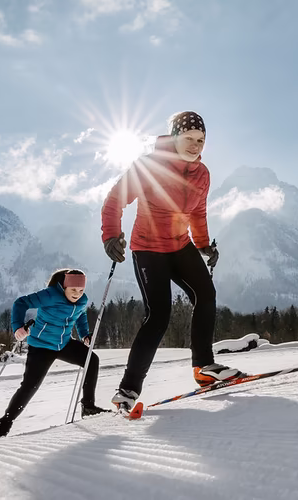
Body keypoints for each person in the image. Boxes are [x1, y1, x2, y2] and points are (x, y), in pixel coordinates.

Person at [100, 111, 245, 412]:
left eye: (201, 140)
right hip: (148, 249)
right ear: (174, 138)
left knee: (206, 295)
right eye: (189, 139)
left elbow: (197, 213)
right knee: (159, 315)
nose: (195, 146)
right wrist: (111, 236)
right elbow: (115, 200)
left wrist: (204, 245)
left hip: (181, 245)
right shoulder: (148, 166)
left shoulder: (202, 174)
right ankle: (127, 389)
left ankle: (203, 368)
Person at [0, 269, 109, 439]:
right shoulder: (50, 295)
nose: (77, 294)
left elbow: (80, 315)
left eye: (81, 290)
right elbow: (20, 303)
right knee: (30, 386)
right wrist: (18, 327)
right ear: (64, 287)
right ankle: (3, 426)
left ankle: (88, 407)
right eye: (73, 290)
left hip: (63, 343)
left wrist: (85, 334)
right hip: (41, 346)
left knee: (91, 360)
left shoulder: (82, 301)